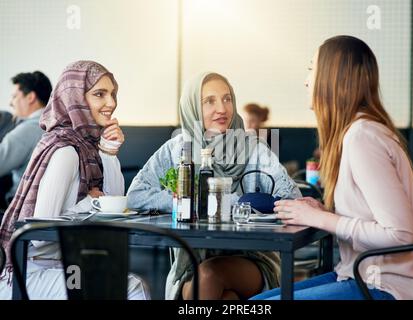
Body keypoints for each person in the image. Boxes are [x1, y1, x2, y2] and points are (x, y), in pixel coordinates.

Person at [251, 35, 413, 300]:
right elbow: (370, 219)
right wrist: (325, 213)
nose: (306, 81)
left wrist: (320, 219)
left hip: (387, 289)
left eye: (311, 69)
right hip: (358, 276)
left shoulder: (362, 137)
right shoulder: (358, 132)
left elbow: (401, 234)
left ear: (333, 76)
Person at [127, 72, 300, 300]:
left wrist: (237, 204)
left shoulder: (253, 148)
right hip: (191, 263)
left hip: (253, 260)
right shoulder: (176, 149)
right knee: (225, 297)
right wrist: (188, 201)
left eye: (227, 99)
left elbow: (291, 196)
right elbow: (135, 195)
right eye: (209, 101)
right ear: (192, 108)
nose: (222, 108)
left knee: (209, 276)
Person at [0, 61, 148, 300]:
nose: (111, 103)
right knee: (132, 288)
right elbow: (38, 237)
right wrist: (91, 202)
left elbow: (113, 205)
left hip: (64, 264)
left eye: (112, 94)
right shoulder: (66, 152)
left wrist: (109, 153)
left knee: (130, 284)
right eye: (100, 94)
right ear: (75, 99)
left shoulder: (88, 145)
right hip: (31, 271)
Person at [0, 72, 52, 206]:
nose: (11, 103)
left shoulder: (27, 130)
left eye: (14, 96)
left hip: (19, 209)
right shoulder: (57, 125)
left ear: (30, 97)